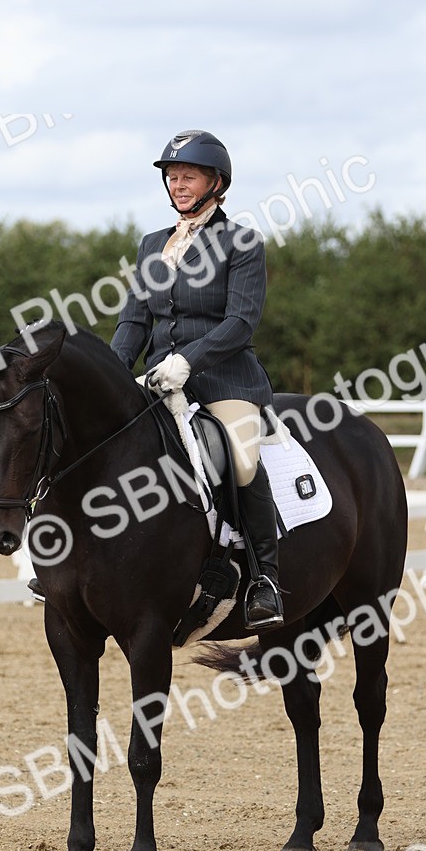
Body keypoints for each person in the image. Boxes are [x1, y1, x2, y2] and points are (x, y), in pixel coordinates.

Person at [110, 129, 283, 629]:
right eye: (172, 176)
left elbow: (241, 322)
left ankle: (263, 579)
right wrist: (113, 373)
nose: (178, 184)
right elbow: (134, 322)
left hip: (226, 381)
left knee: (241, 456)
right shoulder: (151, 245)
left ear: (216, 182)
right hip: (160, 381)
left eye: (188, 176)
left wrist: (190, 360)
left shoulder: (242, 242)